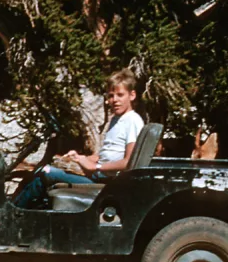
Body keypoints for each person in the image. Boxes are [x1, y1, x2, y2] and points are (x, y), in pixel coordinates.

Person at [13, 68, 145, 209]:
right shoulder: (117, 120)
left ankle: (13, 213)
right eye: (111, 96)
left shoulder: (133, 121)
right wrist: (81, 158)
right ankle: (19, 209)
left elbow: (129, 162)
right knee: (37, 172)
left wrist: (96, 167)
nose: (115, 100)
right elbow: (105, 155)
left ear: (132, 95)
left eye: (120, 95)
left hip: (110, 183)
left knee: (45, 172)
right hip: (99, 176)